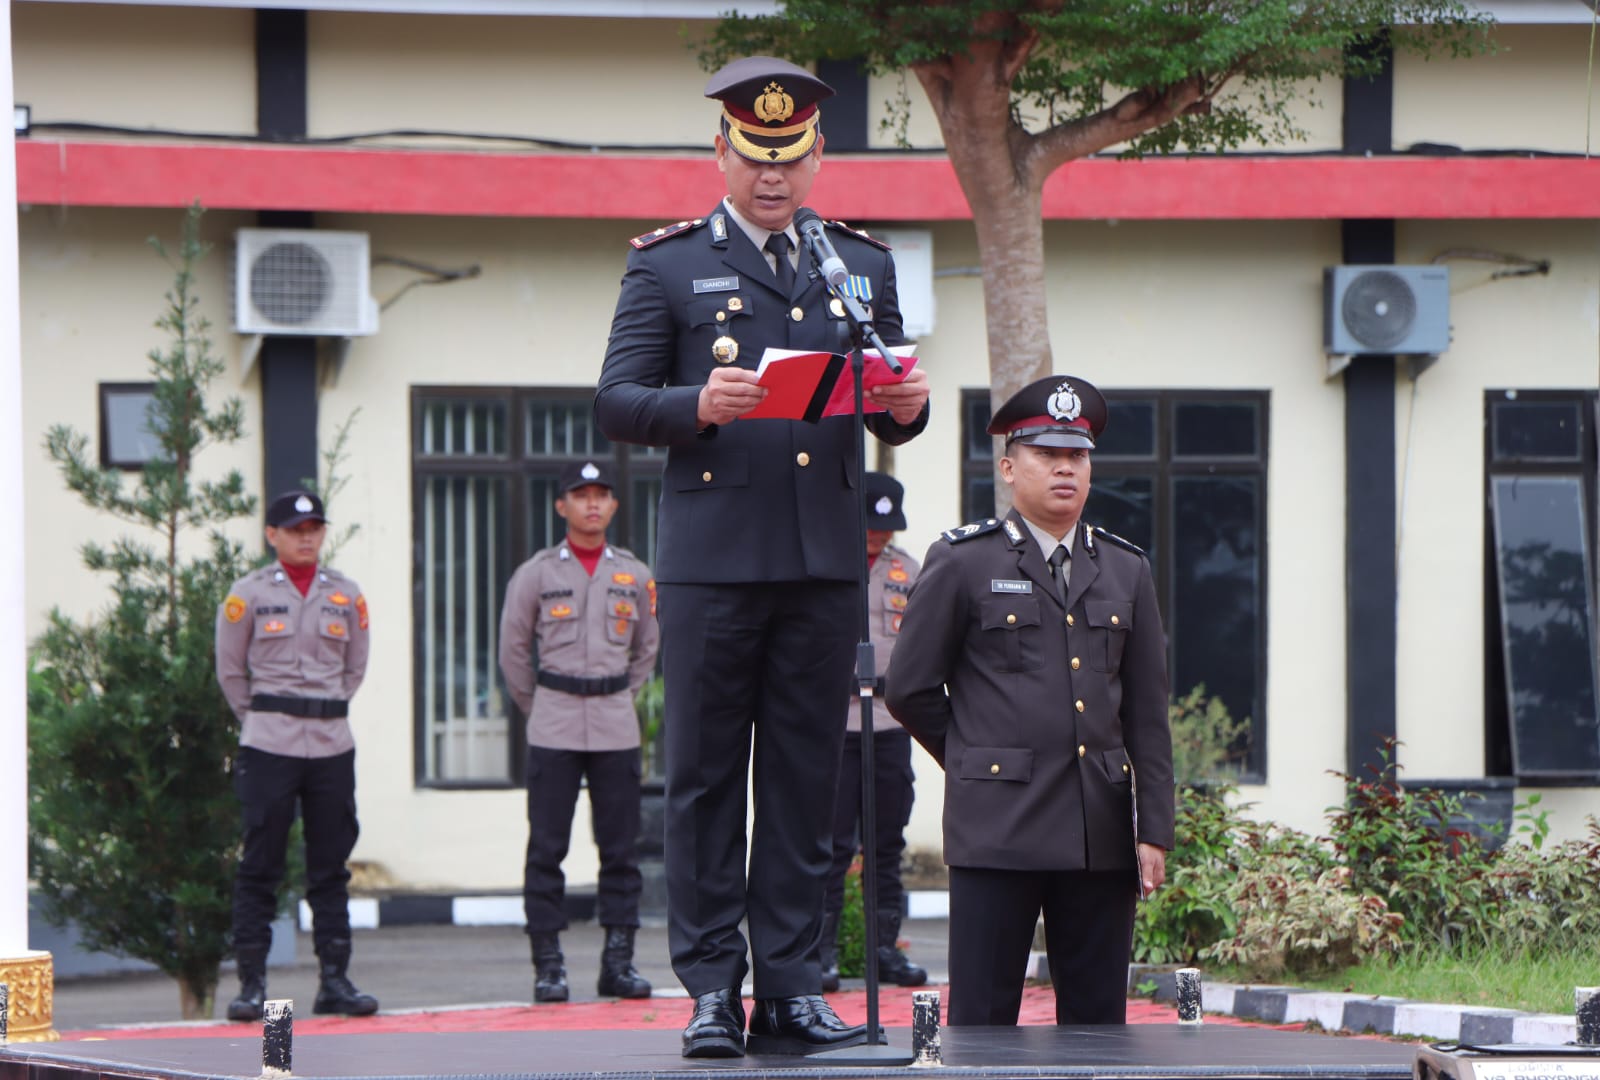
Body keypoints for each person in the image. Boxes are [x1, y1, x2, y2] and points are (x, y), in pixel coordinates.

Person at [594, 56, 932, 1058]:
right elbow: (614, 401)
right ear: (721, 152)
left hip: (824, 560)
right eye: (753, 158)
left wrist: (905, 410)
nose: (771, 178)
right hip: (711, 560)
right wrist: (692, 406)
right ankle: (709, 987)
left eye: (789, 159)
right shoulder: (666, 264)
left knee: (801, 779)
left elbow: (888, 397)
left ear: (818, 155)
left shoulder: (858, 264)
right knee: (703, 777)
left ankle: (790, 985)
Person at [884, 375, 1175, 1027]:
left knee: (1099, 1027)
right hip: (998, 828)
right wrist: (974, 752)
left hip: (1097, 833)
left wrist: (1153, 829)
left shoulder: (1126, 569)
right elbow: (908, 687)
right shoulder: (962, 561)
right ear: (1011, 469)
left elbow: (1147, 715)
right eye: (1048, 455)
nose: (1066, 469)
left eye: (1077, 456)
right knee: (983, 1022)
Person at [497, 459, 659, 1005]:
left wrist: (618, 693)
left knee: (621, 849)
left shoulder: (634, 575)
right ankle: (549, 965)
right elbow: (514, 652)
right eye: (580, 494)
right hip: (555, 720)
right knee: (546, 846)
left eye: (601, 495)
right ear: (560, 505)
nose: (592, 504)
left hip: (614, 721)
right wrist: (540, 703)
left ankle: (619, 962)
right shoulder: (537, 574)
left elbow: (647, 649)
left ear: (613, 505)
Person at [216, 490, 378, 1021]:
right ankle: (253, 986)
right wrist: (267, 717)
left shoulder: (346, 595)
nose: (307, 536)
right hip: (270, 744)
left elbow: (355, 669)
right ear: (273, 535)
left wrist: (318, 709)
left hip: (331, 742)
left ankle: (335, 980)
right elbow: (231, 673)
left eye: (314, 527)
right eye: (295, 528)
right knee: (260, 863)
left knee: (330, 866)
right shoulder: (248, 595)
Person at [820, 471, 927, 993]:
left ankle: (885, 950)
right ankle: (820, 954)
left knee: (887, 844)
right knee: (831, 846)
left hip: (888, 722)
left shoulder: (911, 571)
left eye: (888, 527)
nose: (879, 535)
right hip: (834, 722)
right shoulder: (822, 560)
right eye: (871, 524)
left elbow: (929, 643)